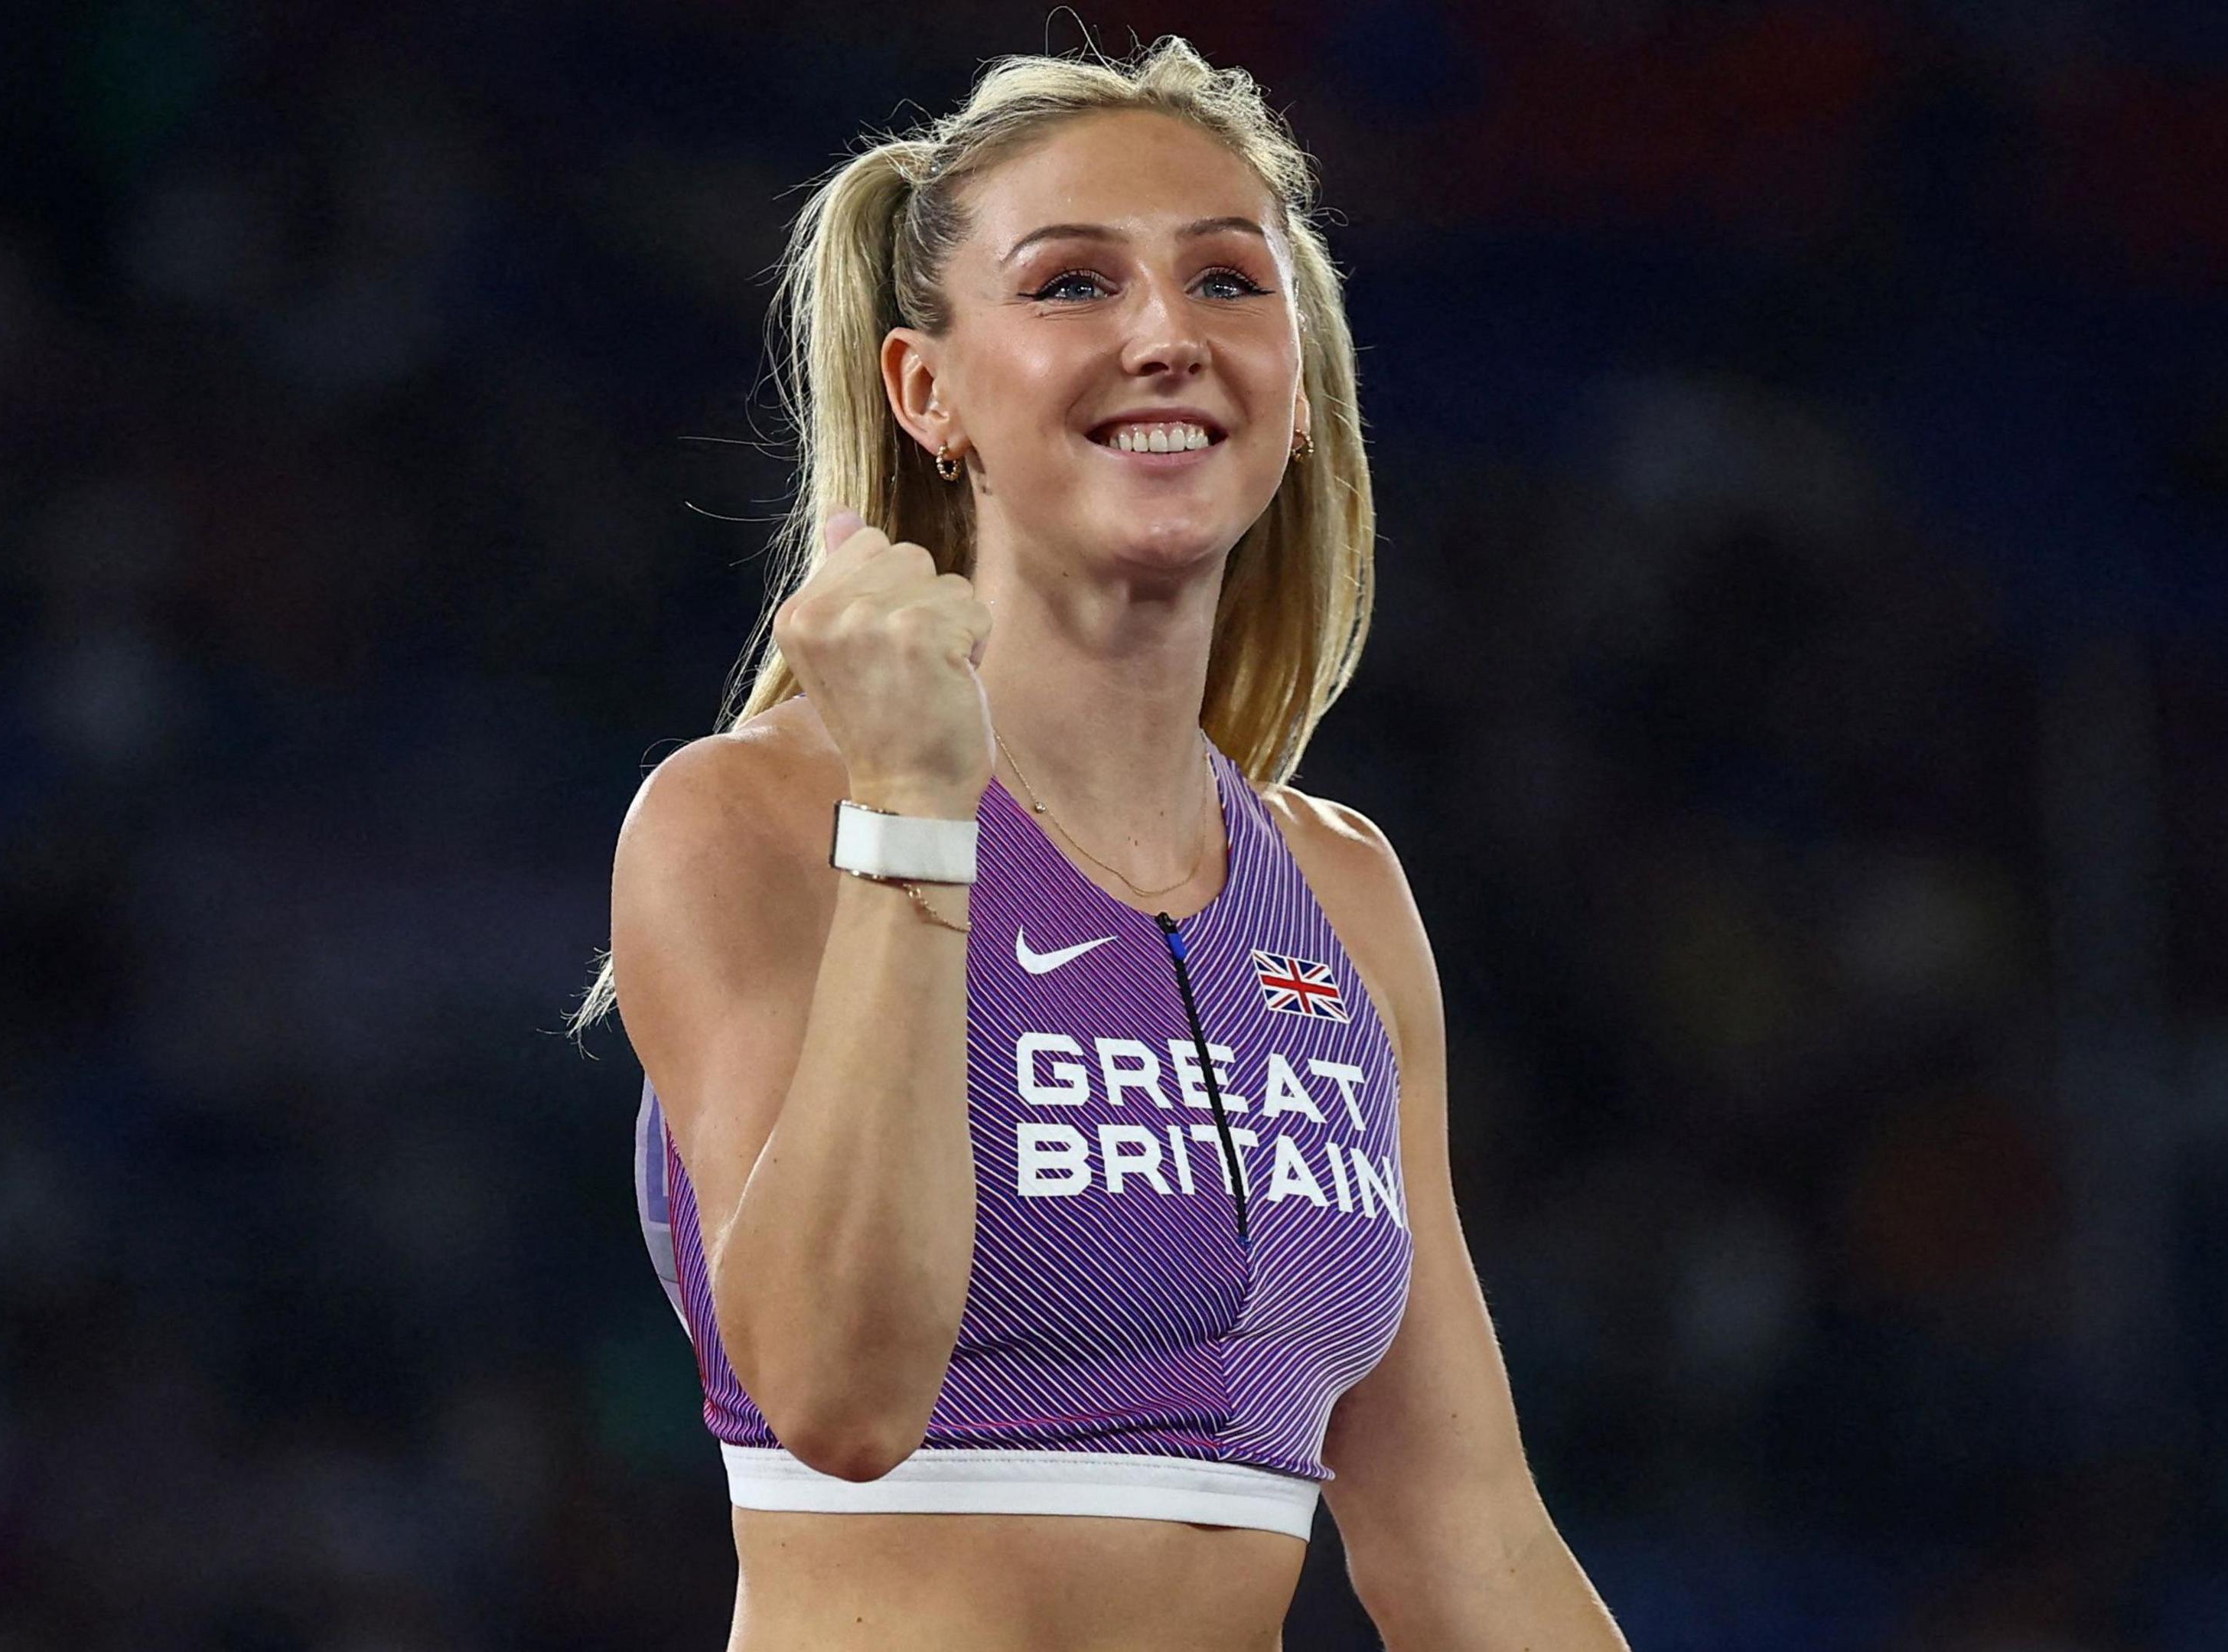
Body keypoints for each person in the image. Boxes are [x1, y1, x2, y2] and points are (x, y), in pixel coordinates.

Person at [581, 35, 1629, 1651]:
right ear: (928, 393)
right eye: (1072, 285)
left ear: (1296, 385)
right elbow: (842, 1400)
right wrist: (919, 810)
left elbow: (1462, 1539)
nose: (1165, 336)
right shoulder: (748, 821)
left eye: (1228, 284)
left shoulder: (1342, 893)